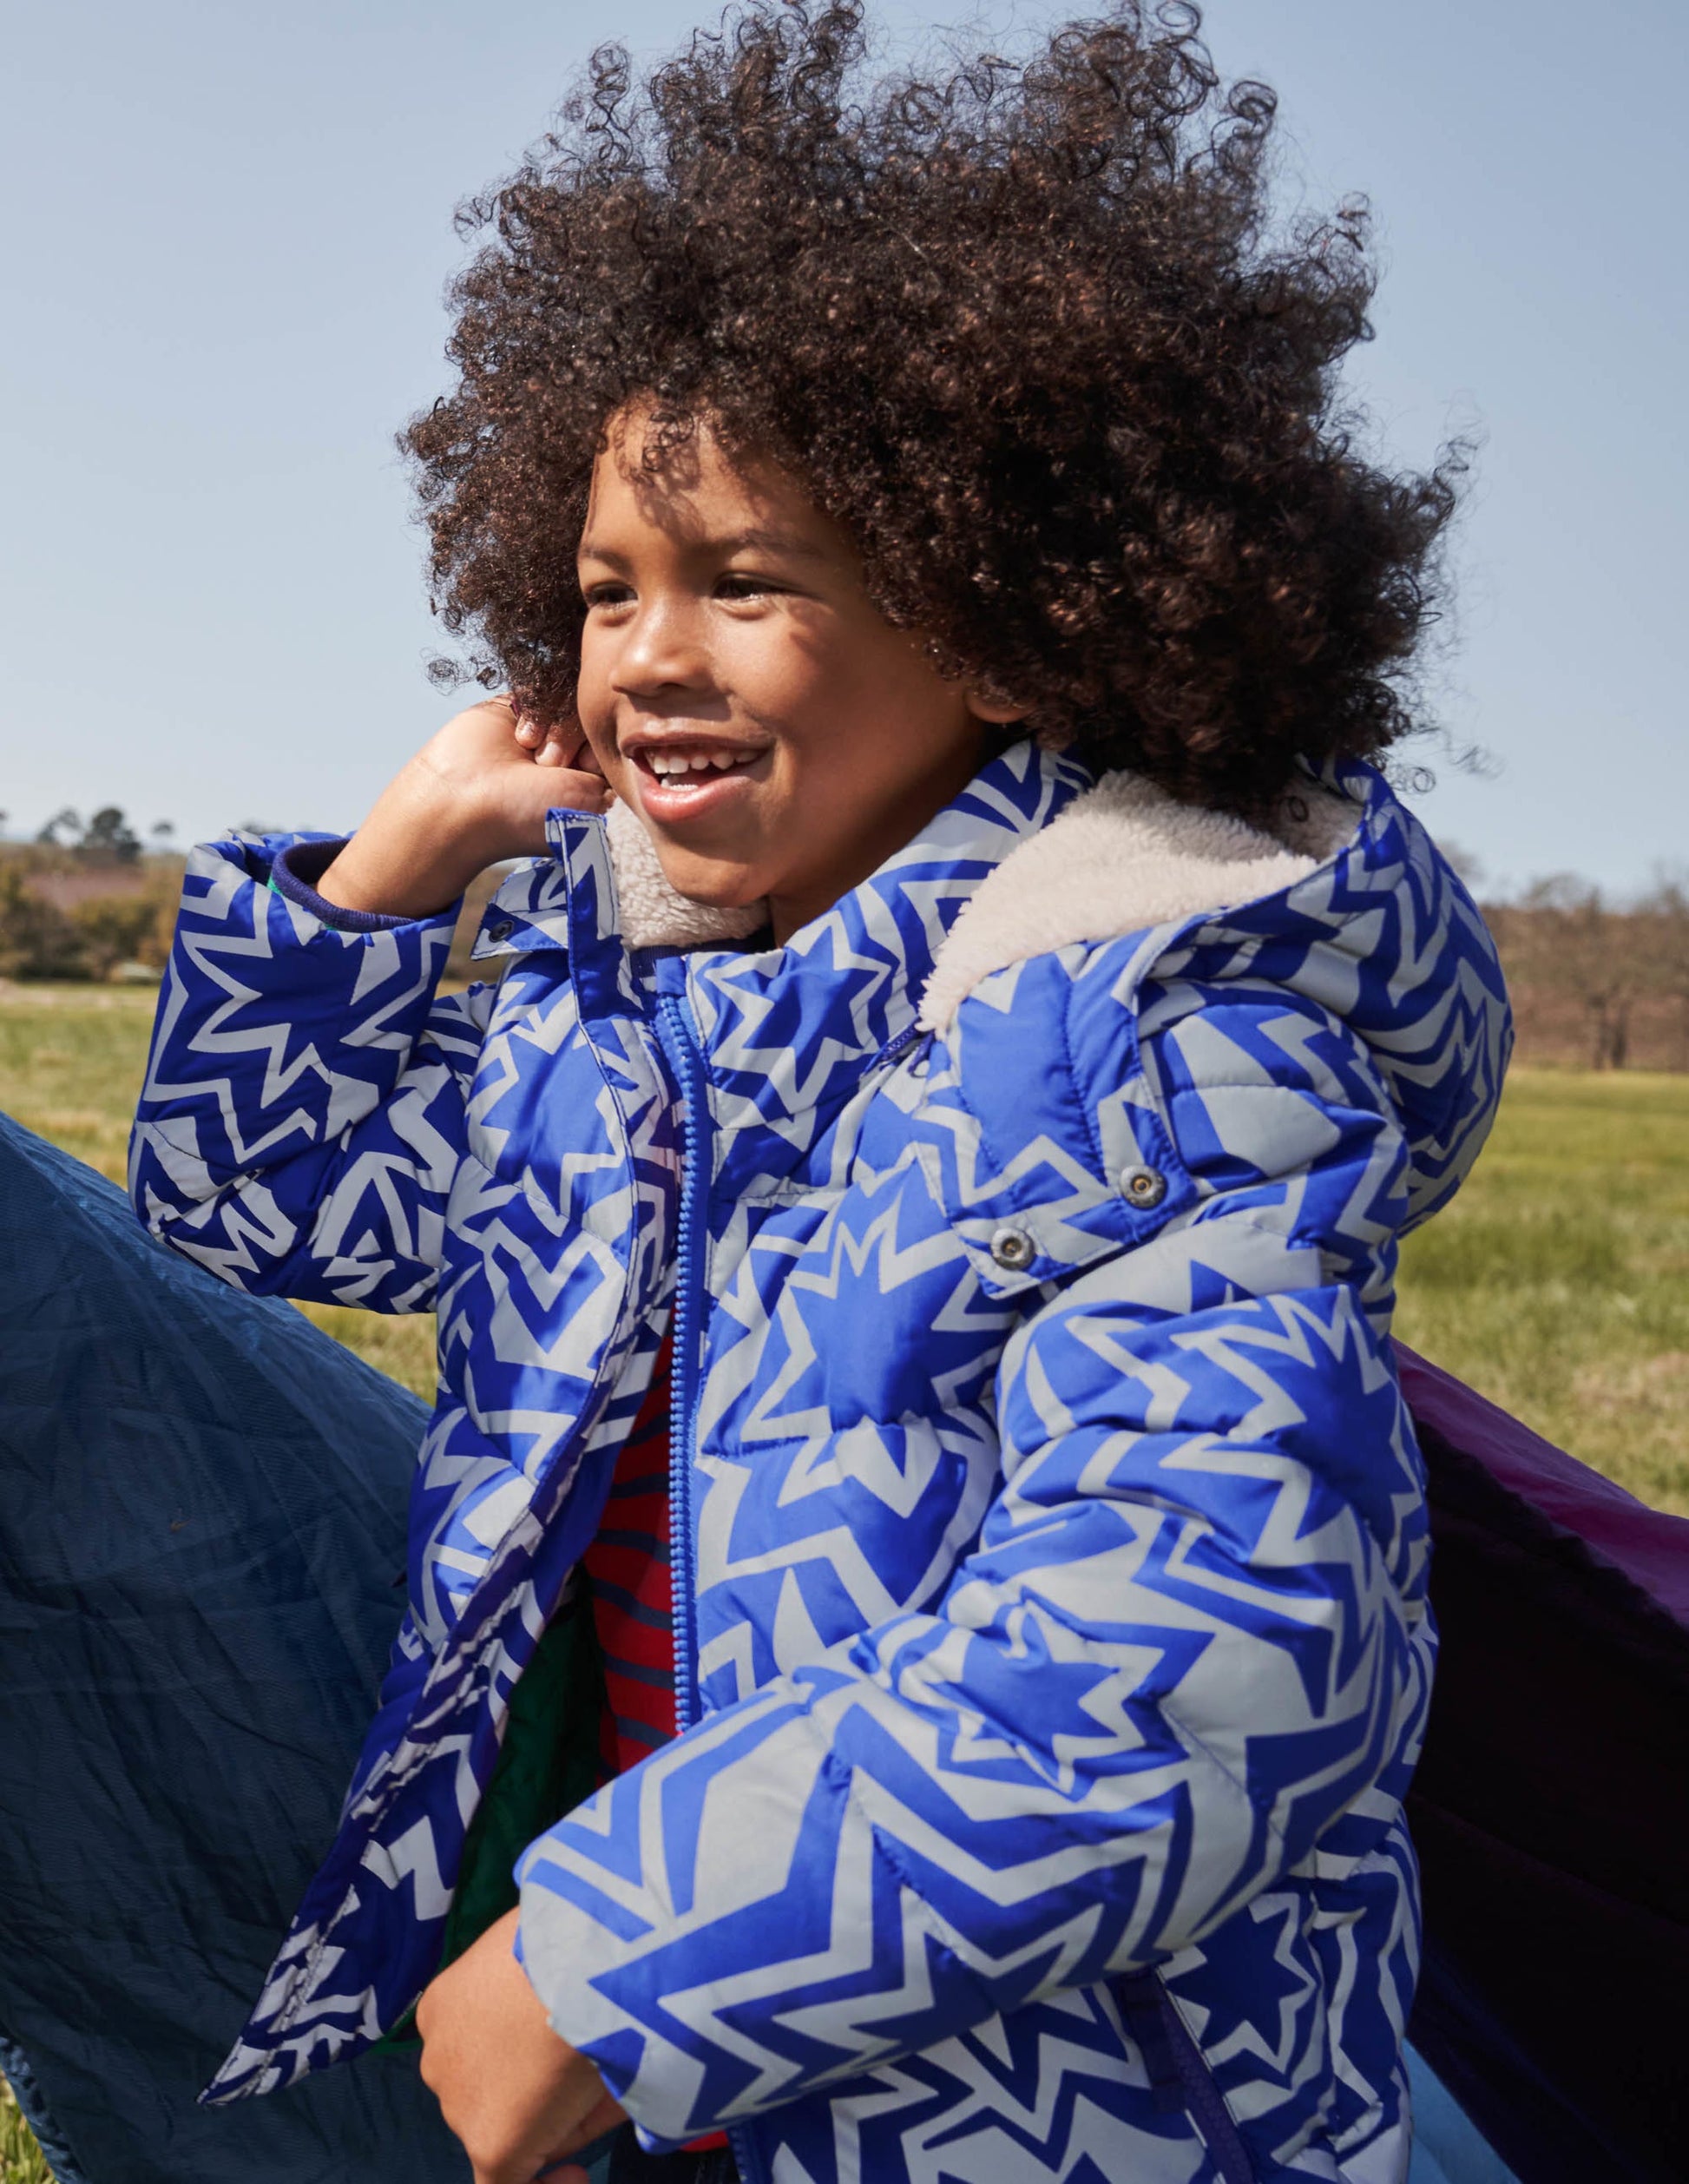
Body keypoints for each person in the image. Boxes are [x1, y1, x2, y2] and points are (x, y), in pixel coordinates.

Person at [128, 4, 1512, 2180]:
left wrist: (618, 1962)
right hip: (699, 2089)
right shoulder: (634, 1016)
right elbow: (267, 1215)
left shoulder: (1147, 1022)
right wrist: (383, 884)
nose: (647, 655)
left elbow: (1214, 1641)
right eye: (602, 592)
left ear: (1007, 621)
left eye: (744, 582)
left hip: (1054, 2109)